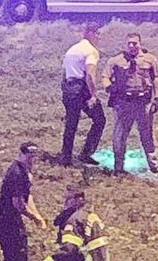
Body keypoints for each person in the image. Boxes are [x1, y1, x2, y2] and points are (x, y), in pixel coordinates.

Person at [0, 142, 47, 261]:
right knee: (16, 257)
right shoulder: (16, 173)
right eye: (29, 156)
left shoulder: (25, 171)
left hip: (11, 219)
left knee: (17, 256)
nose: (32, 160)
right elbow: (18, 204)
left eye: (34, 157)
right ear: (21, 154)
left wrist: (38, 216)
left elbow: (27, 197)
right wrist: (35, 218)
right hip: (6, 221)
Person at [103, 32, 158, 175]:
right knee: (120, 135)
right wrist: (109, 87)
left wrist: (157, 97)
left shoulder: (150, 59)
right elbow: (105, 76)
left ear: (140, 43)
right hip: (124, 103)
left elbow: (156, 79)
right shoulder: (116, 60)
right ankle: (118, 167)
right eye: (129, 43)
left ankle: (153, 165)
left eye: (134, 43)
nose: (131, 46)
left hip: (144, 103)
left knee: (147, 134)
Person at [60, 23, 105, 166]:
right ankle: (86, 153)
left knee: (71, 123)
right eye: (97, 34)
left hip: (68, 86)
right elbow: (90, 76)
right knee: (99, 120)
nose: (98, 37)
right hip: (81, 88)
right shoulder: (91, 51)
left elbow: (65, 71)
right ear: (91, 33)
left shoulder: (72, 49)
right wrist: (93, 95)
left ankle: (66, 157)